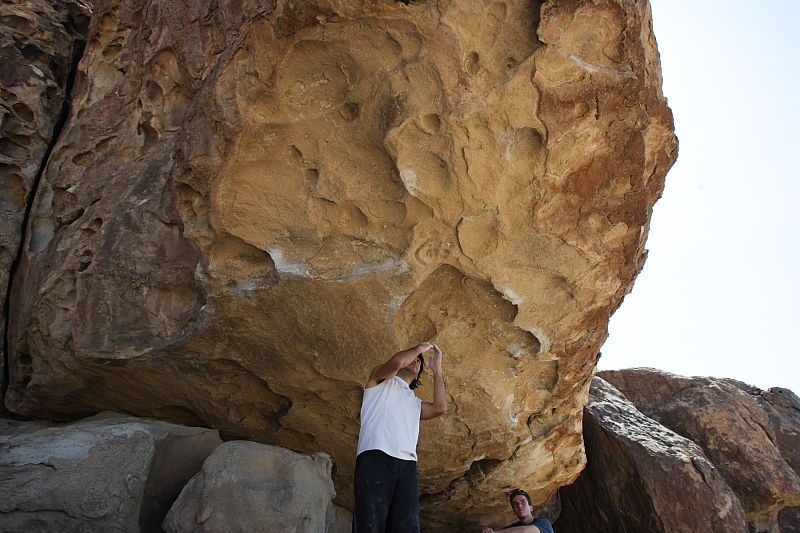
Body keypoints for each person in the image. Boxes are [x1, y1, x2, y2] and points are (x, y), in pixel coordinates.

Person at [352, 342, 447, 533]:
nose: (417, 362)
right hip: (376, 455)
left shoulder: (415, 402)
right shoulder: (378, 381)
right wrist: (419, 349)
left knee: (408, 526)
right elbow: (395, 362)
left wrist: (437, 370)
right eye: (414, 358)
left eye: (420, 363)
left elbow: (440, 407)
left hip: (407, 464)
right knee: (370, 522)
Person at [480, 489, 555, 533]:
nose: (519, 505)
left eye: (523, 502)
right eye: (515, 504)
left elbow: (523, 531)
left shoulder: (543, 523)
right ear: (514, 512)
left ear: (531, 508)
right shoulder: (514, 527)